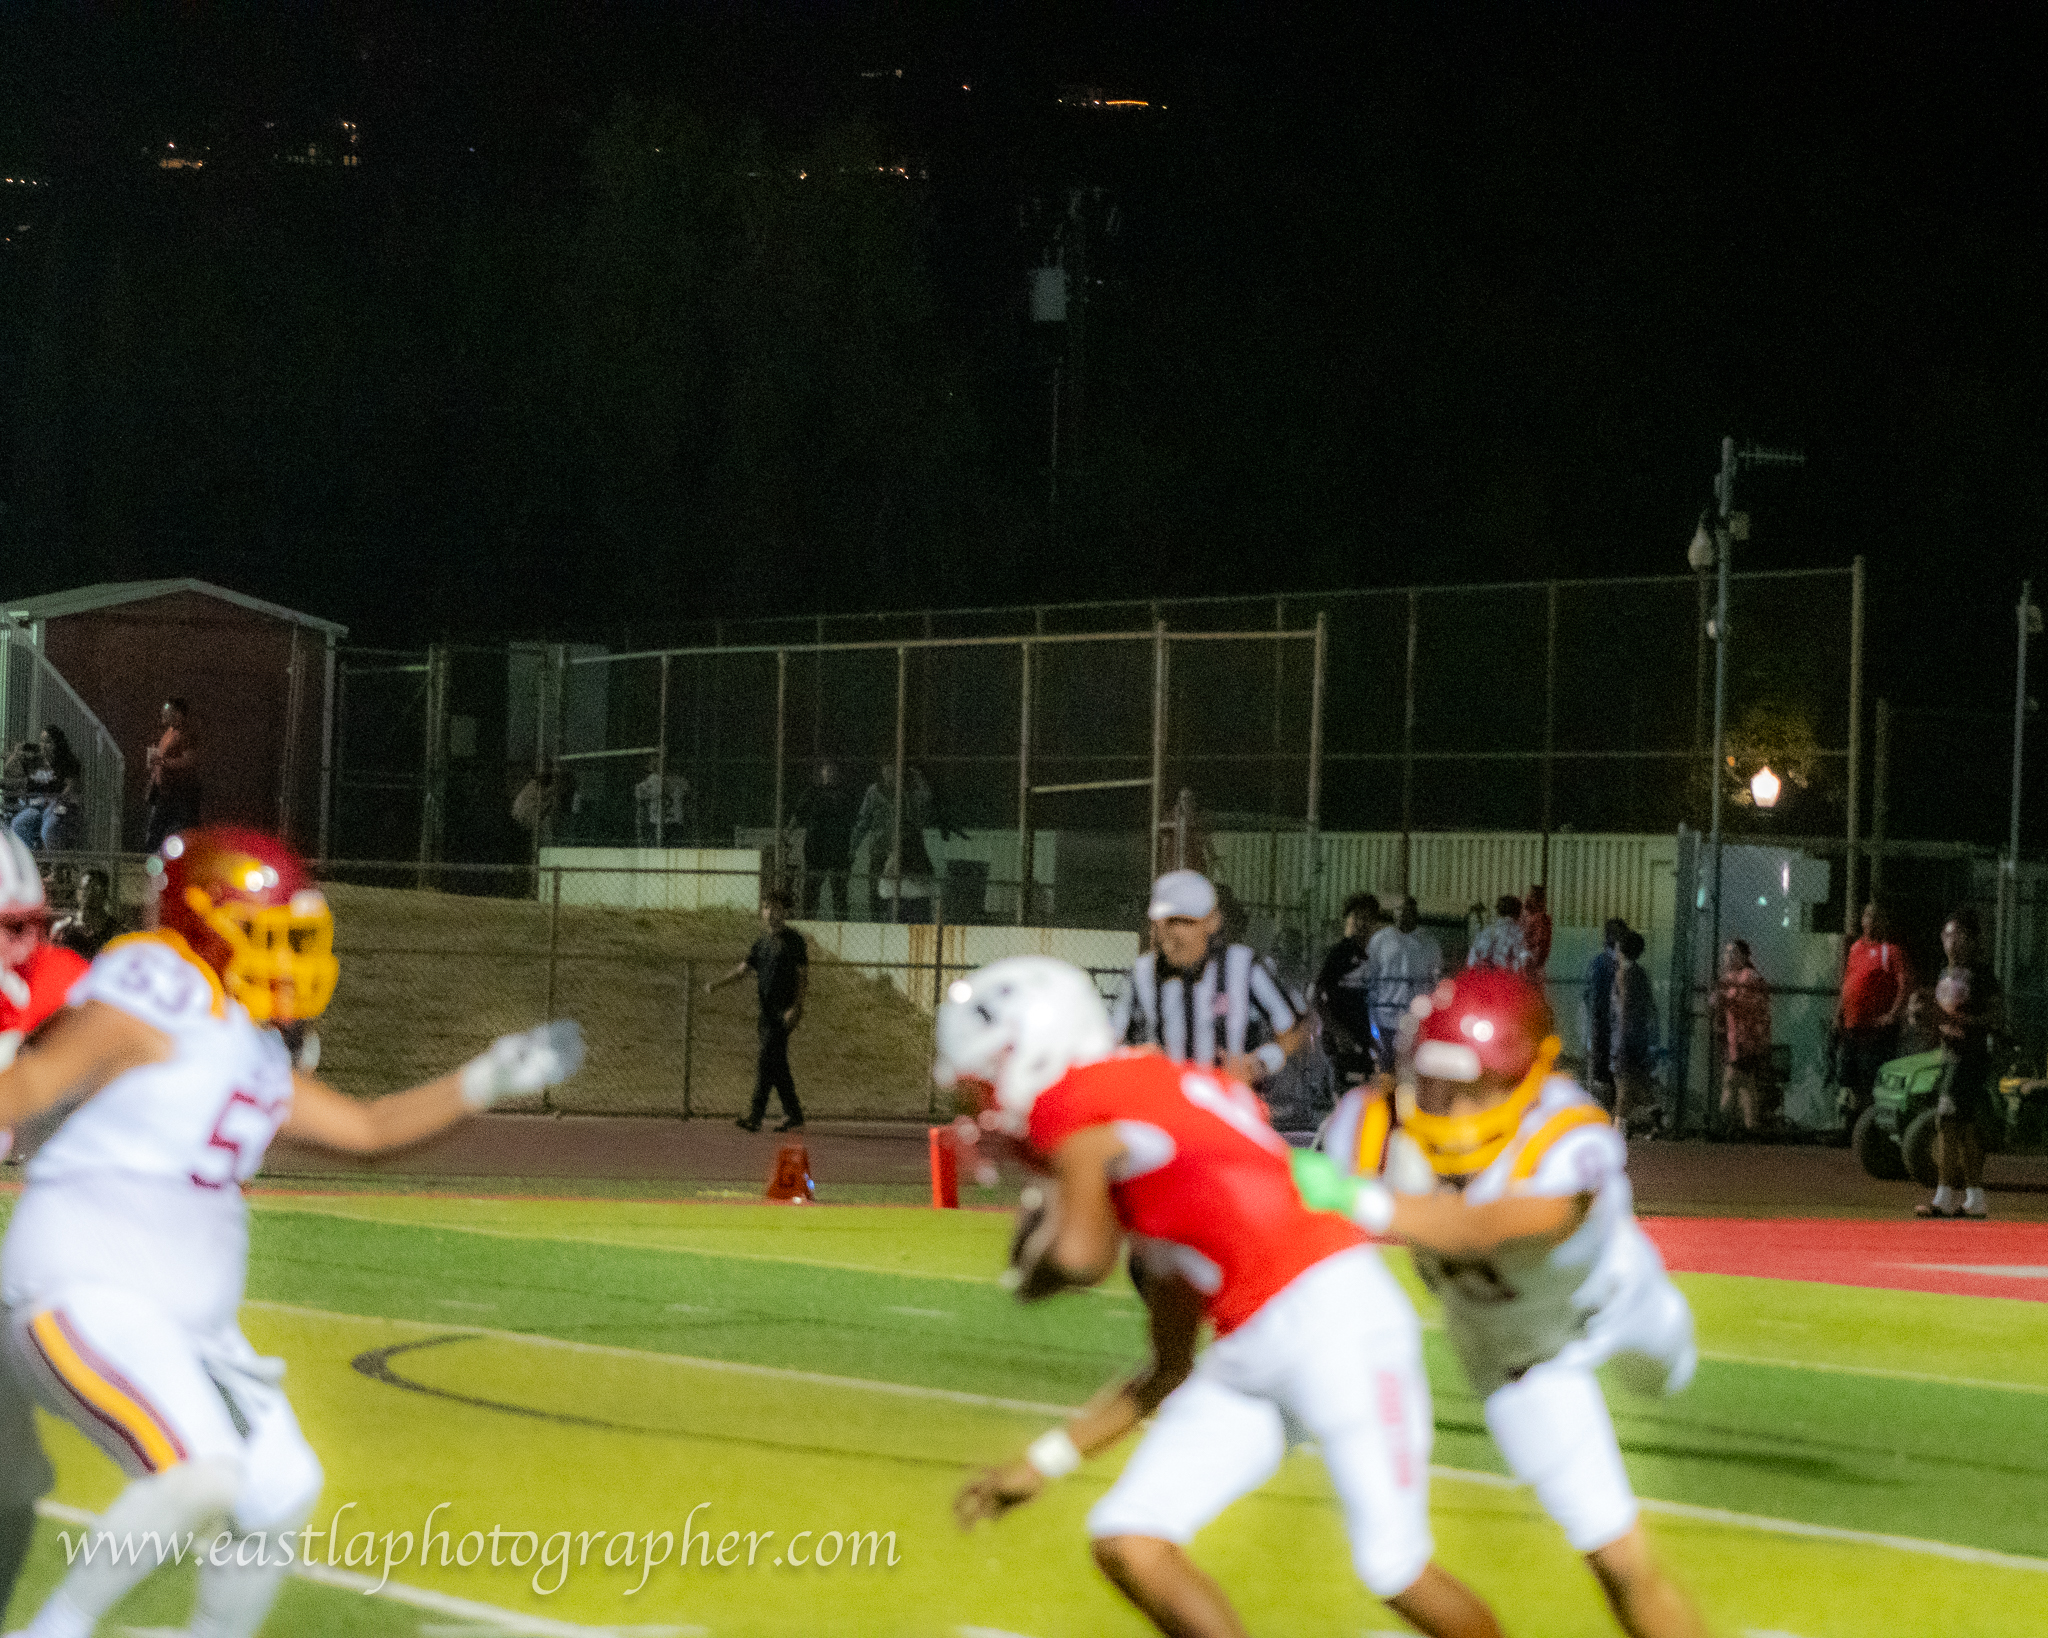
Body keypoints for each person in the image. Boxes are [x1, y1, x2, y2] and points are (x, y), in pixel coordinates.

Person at [0, 826, 584, 1638]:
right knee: (198, 1473)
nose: (287, 957)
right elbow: (31, 1083)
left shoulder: (246, 1046)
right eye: (268, 935)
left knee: (280, 1490)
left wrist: (487, 1076)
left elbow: (370, 1130)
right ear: (205, 926)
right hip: (80, 1289)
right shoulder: (156, 990)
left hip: (184, 1325)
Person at [940, 957, 1504, 1638]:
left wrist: (1033, 1267)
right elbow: (1168, 1367)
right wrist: (1040, 1464)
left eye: (982, 1086)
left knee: (1394, 1566)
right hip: (1261, 1340)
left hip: (1333, 1319)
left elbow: (1080, 1258)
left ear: (1028, 1054)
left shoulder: (1080, 1101)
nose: (985, 1113)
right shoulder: (1153, 1116)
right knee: (1131, 1535)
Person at [1296, 967, 1709, 1638]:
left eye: (1474, 1087)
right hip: (1517, 1353)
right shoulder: (1372, 1123)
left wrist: (1361, 1200)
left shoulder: (1567, 1130)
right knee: (1619, 1558)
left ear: (1529, 1077)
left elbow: (1496, 1226)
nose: (1451, 1106)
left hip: (1618, 1300)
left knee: (1667, 1371)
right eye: (1436, 1084)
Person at [0, 832, 91, 1619]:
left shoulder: (54, 989)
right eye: (9, 928)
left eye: (34, 924)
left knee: (11, 1472)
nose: (29, 946)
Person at [1110, 870, 1306, 1094]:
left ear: (1212, 922)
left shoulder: (1243, 967)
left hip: (1226, 1103)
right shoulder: (1142, 973)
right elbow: (1109, 1043)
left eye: (1181, 921)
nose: (1167, 933)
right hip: (1165, 1103)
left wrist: (1260, 1063)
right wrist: (1135, 1059)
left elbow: (1296, 1026)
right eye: (1160, 923)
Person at [1916, 908, 2002, 1220]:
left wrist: (1954, 1020)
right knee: (1963, 1127)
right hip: (1950, 1055)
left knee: (1946, 1119)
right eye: (1947, 935)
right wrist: (1923, 1018)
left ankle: (1943, 1197)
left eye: (1958, 935)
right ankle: (1975, 1199)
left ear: (1972, 940)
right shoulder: (1945, 973)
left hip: (1970, 1057)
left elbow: (1995, 1017)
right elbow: (1940, 1017)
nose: (1951, 941)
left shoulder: (1982, 975)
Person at [708, 887, 808, 1133]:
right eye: (767, 908)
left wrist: (796, 1008)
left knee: (766, 1060)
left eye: (776, 908)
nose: (771, 913)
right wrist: (717, 984)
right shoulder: (761, 943)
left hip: (784, 1013)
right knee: (777, 1064)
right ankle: (794, 1113)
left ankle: (756, 1116)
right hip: (766, 1014)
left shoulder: (794, 941)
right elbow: (742, 970)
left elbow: (802, 977)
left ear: (784, 912)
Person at [1834, 902, 1914, 1131]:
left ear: (1884, 922)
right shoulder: (1855, 948)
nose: (1871, 920)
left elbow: (1904, 984)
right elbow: (1847, 984)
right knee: (1849, 1077)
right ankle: (1851, 1125)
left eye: (1877, 916)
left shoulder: (1891, 951)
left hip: (1876, 1029)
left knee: (1871, 1077)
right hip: (1853, 1025)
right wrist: (1838, 1015)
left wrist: (1892, 1014)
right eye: (1868, 915)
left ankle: (1871, 1128)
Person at [850, 762, 937, 923]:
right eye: (887, 770)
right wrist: (853, 846)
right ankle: (876, 922)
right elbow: (863, 820)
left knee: (900, 889)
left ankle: (894, 920)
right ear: (882, 771)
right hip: (880, 848)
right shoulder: (874, 791)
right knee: (876, 889)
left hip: (903, 850)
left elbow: (926, 800)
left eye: (893, 770)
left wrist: (919, 778)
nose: (890, 774)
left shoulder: (907, 791)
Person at [1365, 897, 1442, 1074]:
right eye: (1399, 910)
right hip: (1385, 1016)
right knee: (1387, 1065)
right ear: (1393, 913)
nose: (1403, 915)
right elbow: (1370, 975)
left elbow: (1436, 980)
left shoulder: (1428, 943)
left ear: (1415, 914)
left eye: (1408, 911)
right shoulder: (1380, 940)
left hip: (1416, 1020)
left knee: (1414, 1067)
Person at [1314, 892, 1384, 1081]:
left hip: (1368, 1038)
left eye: (1367, 917)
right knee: (1343, 1086)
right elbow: (1317, 996)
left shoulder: (1379, 955)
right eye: (1358, 917)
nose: (1362, 923)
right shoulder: (1340, 954)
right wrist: (1336, 1031)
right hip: (1342, 1041)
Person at [1712, 940, 1773, 1135]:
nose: (1729, 957)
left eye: (1734, 953)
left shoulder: (1750, 977)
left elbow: (1753, 1006)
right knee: (1745, 1084)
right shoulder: (1728, 978)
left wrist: (1727, 1000)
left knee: (1731, 1081)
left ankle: (1721, 1124)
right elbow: (1714, 1002)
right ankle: (1751, 1127)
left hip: (1746, 1040)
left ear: (1744, 956)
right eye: (1727, 953)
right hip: (1733, 1041)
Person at [789, 760, 857, 920]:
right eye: (827, 769)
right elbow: (798, 813)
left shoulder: (845, 794)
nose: (830, 773)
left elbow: (854, 822)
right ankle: (808, 922)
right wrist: (787, 833)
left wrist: (852, 847)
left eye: (833, 770)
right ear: (822, 772)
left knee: (839, 892)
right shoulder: (813, 792)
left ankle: (841, 925)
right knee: (811, 890)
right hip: (816, 849)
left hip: (838, 849)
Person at [1611, 929, 1657, 1135]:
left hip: (1627, 1038)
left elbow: (1623, 1010)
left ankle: (1618, 1129)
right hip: (1640, 1037)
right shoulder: (1641, 973)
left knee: (1624, 1084)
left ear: (1621, 950)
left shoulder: (1623, 975)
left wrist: (1621, 1040)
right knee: (1638, 1083)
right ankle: (1657, 1117)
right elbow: (1649, 1007)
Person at [9, 728, 83, 855]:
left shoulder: (67, 762)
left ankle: (51, 860)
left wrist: (56, 800)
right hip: (38, 805)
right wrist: (16, 753)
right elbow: (10, 770)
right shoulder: (36, 762)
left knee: (48, 828)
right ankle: (30, 858)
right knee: (18, 824)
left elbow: (72, 786)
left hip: (59, 805)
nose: (43, 745)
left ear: (57, 744)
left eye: (48, 742)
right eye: (42, 741)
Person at [142, 699, 201, 853]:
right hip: (164, 792)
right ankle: (152, 858)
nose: (163, 713)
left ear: (178, 714)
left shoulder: (185, 735)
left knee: (178, 833)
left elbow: (189, 761)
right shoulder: (168, 733)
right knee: (156, 832)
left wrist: (163, 762)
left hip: (179, 793)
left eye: (168, 710)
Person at [1582, 919, 1627, 1102]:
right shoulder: (1614, 964)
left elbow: (1588, 996)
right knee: (1610, 1071)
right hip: (1607, 1024)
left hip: (1603, 1024)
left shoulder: (1600, 962)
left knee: (1604, 1070)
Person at [49, 869, 121, 962]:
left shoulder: (116, 931)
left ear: (105, 893)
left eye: (96, 888)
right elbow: (52, 963)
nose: (90, 893)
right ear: (78, 892)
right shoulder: (61, 928)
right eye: (85, 887)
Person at [632, 755, 690, 846]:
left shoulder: (679, 780)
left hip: (673, 822)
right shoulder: (650, 781)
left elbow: (687, 796)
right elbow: (640, 798)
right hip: (657, 822)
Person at [1467, 894, 1531, 974]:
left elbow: (1473, 960)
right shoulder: (1520, 934)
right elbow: (1523, 962)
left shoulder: (1487, 931)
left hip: (1487, 977)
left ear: (1498, 912)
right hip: (1509, 978)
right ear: (1519, 913)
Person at [1520, 884, 1554, 977]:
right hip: (1528, 960)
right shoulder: (1524, 916)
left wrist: (1536, 962)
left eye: (1531, 896)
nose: (1527, 898)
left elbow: (1541, 942)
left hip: (1531, 960)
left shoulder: (1541, 919)